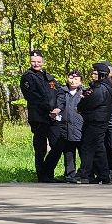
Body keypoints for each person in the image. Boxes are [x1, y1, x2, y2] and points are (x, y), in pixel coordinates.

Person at [19, 51, 63, 182]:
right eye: (33, 61)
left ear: (42, 62)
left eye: (38, 61)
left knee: (59, 144)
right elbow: (33, 97)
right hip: (39, 117)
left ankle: (48, 172)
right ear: (30, 62)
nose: (36, 64)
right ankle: (42, 176)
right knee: (40, 148)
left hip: (53, 117)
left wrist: (58, 108)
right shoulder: (28, 77)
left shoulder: (48, 77)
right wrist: (49, 109)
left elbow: (59, 92)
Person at [75, 62, 112, 184]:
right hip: (98, 120)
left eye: (95, 73)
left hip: (95, 121)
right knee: (98, 147)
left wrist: (81, 103)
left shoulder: (100, 89)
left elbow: (89, 103)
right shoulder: (102, 88)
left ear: (101, 75)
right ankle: (103, 175)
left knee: (88, 147)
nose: (92, 75)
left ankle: (85, 174)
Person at [42, 71, 85, 182]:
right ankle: (70, 175)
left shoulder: (84, 92)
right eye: (71, 78)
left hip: (81, 127)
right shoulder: (62, 91)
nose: (73, 81)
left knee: (83, 152)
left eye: (76, 79)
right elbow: (59, 104)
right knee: (68, 152)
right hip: (65, 127)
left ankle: (85, 174)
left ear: (81, 81)